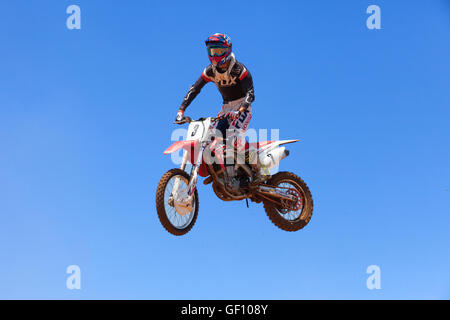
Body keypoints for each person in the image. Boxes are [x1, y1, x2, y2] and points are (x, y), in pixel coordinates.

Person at [175, 33, 266, 183]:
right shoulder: (210, 71)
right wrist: (181, 109)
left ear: (227, 50)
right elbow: (195, 89)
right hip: (225, 109)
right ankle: (220, 170)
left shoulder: (239, 69)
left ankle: (258, 170)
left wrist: (242, 108)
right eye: (211, 51)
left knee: (233, 139)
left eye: (218, 51)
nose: (214, 55)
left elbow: (251, 93)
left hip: (242, 106)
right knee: (211, 138)